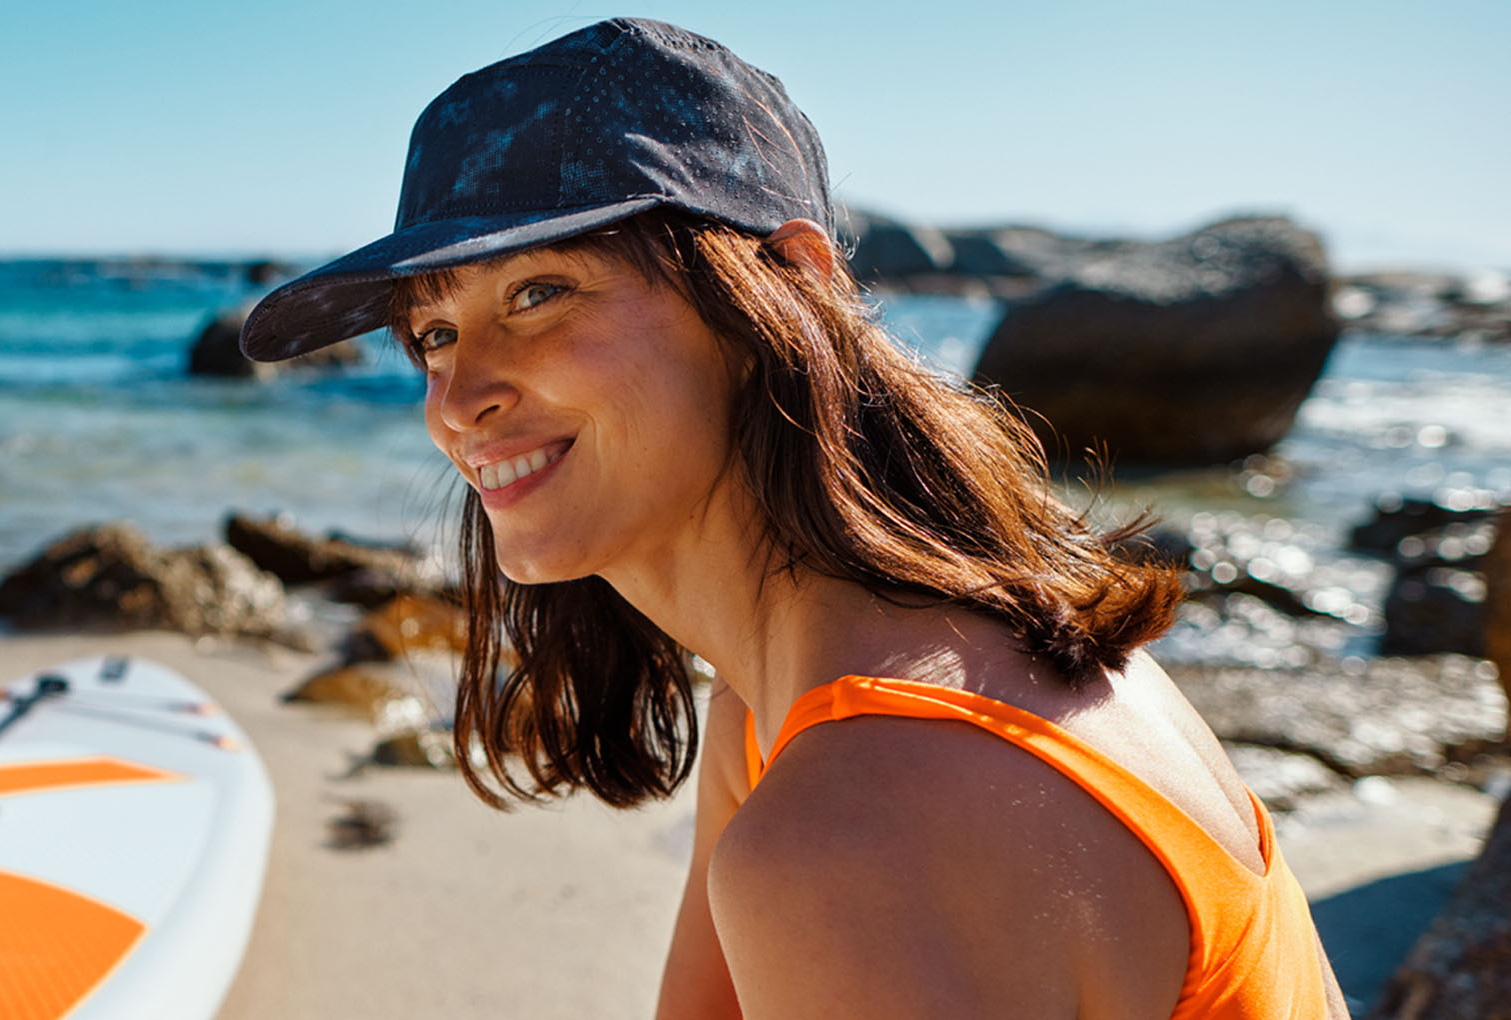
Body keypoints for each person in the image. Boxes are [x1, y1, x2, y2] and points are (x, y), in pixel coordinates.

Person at [243, 17, 1353, 1019]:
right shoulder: (827, 702)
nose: (457, 397)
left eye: (539, 294)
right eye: (432, 334)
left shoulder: (858, 828)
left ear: (790, 285)